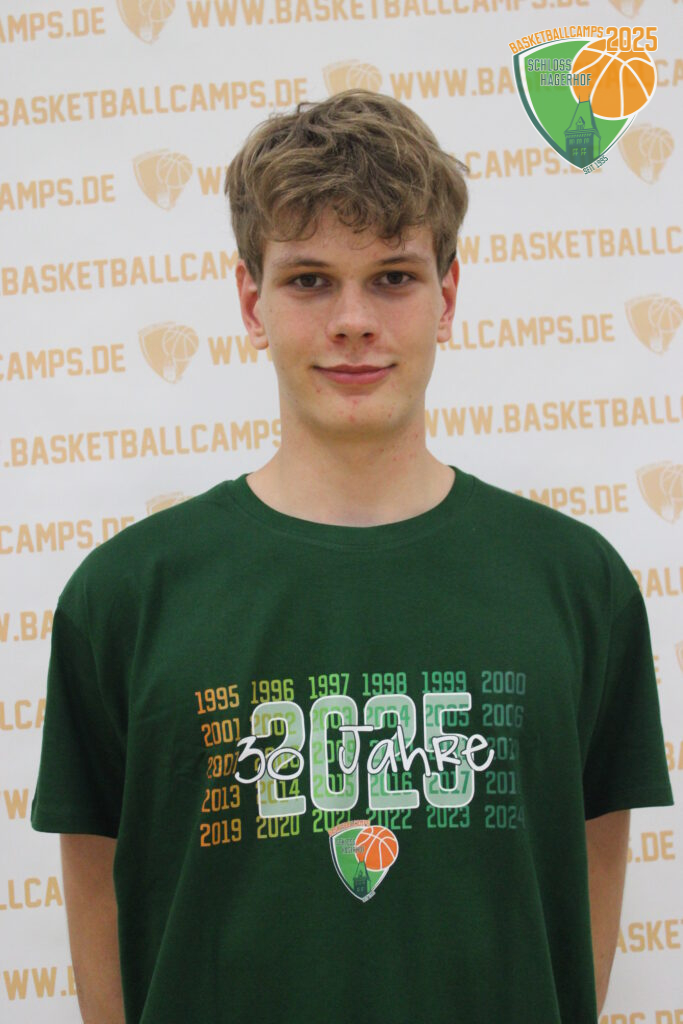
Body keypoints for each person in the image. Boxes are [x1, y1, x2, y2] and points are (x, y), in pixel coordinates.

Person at [31, 89, 673, 1024]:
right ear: (250, 301)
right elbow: (102, 904)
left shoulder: (576, 585)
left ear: (447, 296)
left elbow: (581, 907)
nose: (352, 320)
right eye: (308, 280)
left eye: (392, 277)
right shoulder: (126, 597)